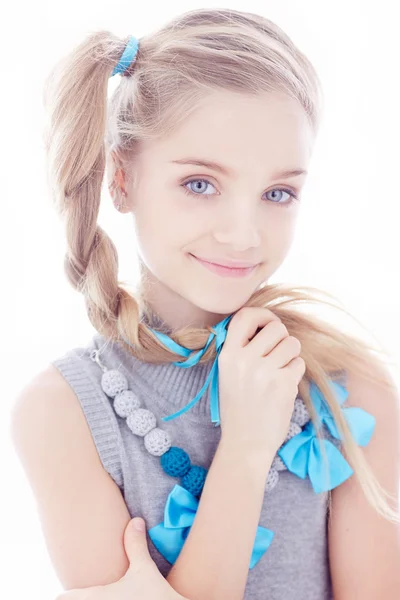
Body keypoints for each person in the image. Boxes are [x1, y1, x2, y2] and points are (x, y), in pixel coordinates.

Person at [10, 7, 400, 600]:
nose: (243, 234)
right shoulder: (63, 415)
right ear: (121, 178)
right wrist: (245, 448)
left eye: (278, 192)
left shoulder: (351, 391)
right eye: (201, 184)